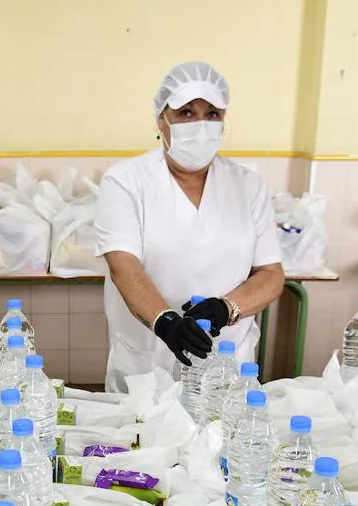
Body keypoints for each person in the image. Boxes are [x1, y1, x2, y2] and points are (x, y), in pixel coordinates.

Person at [95, 61, 285, 392]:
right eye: (185, 113)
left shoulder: (247, 185)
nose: (200, 125)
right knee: (146, 441)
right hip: (147, 364)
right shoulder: (126, 181)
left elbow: (271, 274)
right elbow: (123, 267)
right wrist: (166, 322)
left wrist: (228, 308)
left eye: (212, 114)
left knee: (225, 438)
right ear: (161, 120)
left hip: (227, 363)